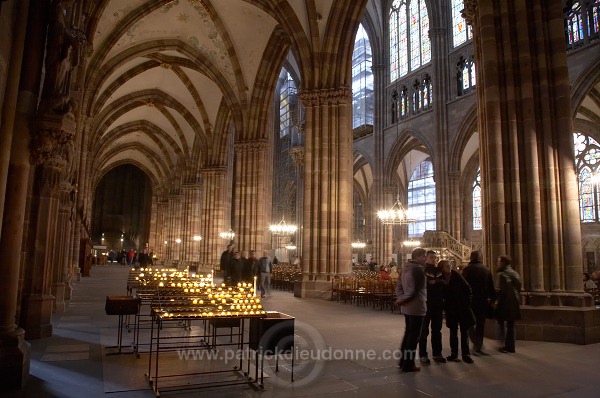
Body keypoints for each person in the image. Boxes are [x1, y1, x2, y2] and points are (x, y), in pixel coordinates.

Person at [395, 247, 427, 373]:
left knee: (408, 334)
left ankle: (403, 361)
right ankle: (408, 365)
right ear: (418, 256)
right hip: (416, 306)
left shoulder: (405, 268)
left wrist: (401, 298)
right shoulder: (418, 270)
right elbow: (415, 290)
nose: (425, 258)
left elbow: (398, 286)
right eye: (424, 256)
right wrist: (403, 300)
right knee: (413, 337)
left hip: (407, 307)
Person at [439, 260, 475, 364]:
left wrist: (467, 303)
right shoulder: (441, 278)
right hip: (451, 308)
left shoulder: (456, 275)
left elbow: (468, 289)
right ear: (442, 268)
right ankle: (454, 353)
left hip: (461, 306)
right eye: (446, 266)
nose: (449, 267)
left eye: (449, 266)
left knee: (464, 332)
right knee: (453, 332)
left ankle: (466, 354)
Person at [462, 250, 496, 353]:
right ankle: (479, 344)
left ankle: (474, 340)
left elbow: (463, 286)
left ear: (471, 258)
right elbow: (491, 286)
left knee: (470, 322)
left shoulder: (467, 270)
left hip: (470, 300)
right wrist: (492, 299)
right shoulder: (486, 270)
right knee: (481, 323)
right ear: (480, 258)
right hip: (482, 301)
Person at [418, 250, 446, 364]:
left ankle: (437, 353)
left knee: (437, 330)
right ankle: (423, 354)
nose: (434, 259)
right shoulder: (422, 270)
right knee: (424, 331)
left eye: (435, 257)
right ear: (426, 258)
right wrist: (435, 283)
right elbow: (422, 284)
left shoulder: (439, 270)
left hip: (438, 304)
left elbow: (444, 282)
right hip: (426, 304)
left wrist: (436, 282)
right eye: (431, 257)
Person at [494, 255, 522, 353]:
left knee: (500, 323)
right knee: (511, 325)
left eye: (499, 261)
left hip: (503, 303)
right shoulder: (515, 273)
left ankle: (503, 343)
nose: (497, 263)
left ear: (503, 263)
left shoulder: (501, 274)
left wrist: (495, 301)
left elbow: (498, 290)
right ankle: (511, 346)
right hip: (514, 302)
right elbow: (519, 287)